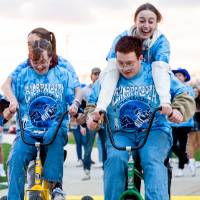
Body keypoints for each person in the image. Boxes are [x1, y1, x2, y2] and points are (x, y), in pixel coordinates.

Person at [86, 36, 195, 200]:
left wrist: (177, 110)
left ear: (140, 58)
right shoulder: (109, 77)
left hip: (154, 131)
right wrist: (92, 118)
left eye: (130, 63)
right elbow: (92, 104)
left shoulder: (156, 74)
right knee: (115, 160)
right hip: (121, 133)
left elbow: (185, 95)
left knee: (152, 160)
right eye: (120, 63)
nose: (124, 68)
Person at [7, 39, 75, 200]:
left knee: (55, 137)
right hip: (28, 131)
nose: (39, 66)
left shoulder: (62, 75)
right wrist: (12, 101)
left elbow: (74, 96)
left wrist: (75, 106)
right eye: (34, 62)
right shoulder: (23, 76)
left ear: (51, 57)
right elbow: (8, 91)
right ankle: (14, 197)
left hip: (54, 128)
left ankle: (55, 186)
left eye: (43, 61)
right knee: (15, 157)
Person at [95, 3, 172, 117]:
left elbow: (160, 71)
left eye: (151, 22)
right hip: (124, 82)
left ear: (156, 24)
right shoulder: (120, 38)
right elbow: (111, 71)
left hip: (149, 83)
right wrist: (101, 106)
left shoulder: (162, 42)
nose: (146, 25)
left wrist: (165, 101)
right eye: (142, 21)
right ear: (135, 21)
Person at [1, 27, 82, 117]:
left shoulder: (63, 65)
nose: (31, 47)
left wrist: (75, 105)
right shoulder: (25, 64)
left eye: (35, 43)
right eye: (29, 44)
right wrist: (13, 101)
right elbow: (6, 85)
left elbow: (77, 89)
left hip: (56, 124)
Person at [80, 68, 107, 181]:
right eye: (94, 74)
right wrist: (83, 125)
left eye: (98, 74)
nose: (96, 76)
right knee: (88, 147)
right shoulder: (85, 90)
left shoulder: (105, 88)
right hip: (91, 121)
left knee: (106, 147)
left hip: (103, 121)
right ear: (91, 76)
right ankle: (87, 171)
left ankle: (106, 170)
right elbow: (82, 108)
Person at [171, 68, 195, 177]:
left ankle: (180, 168)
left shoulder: (188, 89)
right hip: (172, 123)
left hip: (185, 123)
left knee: (182, 145)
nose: (177, 77)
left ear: (185, 77)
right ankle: (186, 159)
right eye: (176, 75)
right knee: (171, 144)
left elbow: (189, 104)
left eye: (180, 75)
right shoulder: (170, 87)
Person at [187, 85, 200, 176]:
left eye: (196, 91)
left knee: (198, 143)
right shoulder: (189, 100)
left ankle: (195, 161)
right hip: (191, 125)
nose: (195, 93)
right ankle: (191, 163)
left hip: (199, 124)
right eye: (193, 91)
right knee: (191, 143)